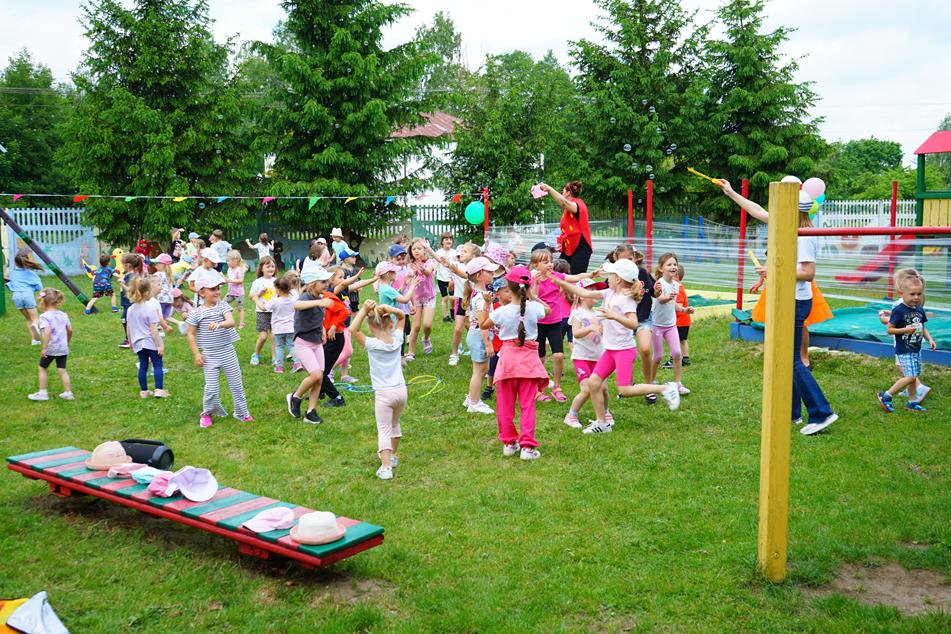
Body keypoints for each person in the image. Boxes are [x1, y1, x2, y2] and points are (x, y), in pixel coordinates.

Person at [720, 179, 838, 436]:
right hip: (788, 298)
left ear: (791, 210)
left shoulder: (802, 235)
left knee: (792, 360)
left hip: (796, 301)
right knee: (786, 359)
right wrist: (731, 192)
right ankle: (791, 412)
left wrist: (773, 270)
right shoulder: (787, 224)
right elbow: (756, 210)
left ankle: (821, 413)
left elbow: (808, 273)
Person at [548, 259, 680, 434]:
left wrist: (614, 316)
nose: (608, 278)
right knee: (594, 383)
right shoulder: (609, 292)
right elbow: (582, 292)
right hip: (610, 350)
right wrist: (560, 282)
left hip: (624, 350)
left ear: (618, 279)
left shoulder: (626, 299)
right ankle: (602, 423)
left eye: (611, 274)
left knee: (624, 389)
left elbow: (634, 323)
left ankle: (665, 388)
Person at [480, 266, 550, 460]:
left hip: (507, 364)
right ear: (527, 287)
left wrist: (487, 304)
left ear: (508, 288)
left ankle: (509, 444)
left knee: (504, 405)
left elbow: (484, 324)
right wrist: (533, 296)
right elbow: (548, 310)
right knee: (528, 406)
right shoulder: (534, 308)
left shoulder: (501, 311)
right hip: (529, 365)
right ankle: (527, 448)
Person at [350, 299, 407, 480]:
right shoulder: (398, 340)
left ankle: (386, 466)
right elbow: (402, 316)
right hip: (401, 391)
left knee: (384, 429)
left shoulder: (372, 344)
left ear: (371, 327)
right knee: (395, 424)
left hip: (384, 394)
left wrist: (363, 310)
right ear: (390, 324)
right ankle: (393, 456)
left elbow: (353, 330)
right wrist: (390, 308)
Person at [529, 246, 594, 402]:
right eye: (545, 262)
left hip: (555, 322)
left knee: (559, 356)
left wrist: (591, 274)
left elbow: (575, 277)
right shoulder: (532, 279)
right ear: (536, 265)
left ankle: (556, 387)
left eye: (550, 261)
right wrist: (536, 284)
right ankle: (538, 389)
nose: (550, 264)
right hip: (538, 323)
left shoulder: (556, 276)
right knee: (540, 358)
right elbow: (532, 298)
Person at [186, 278, 252, 427]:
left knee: (237, 385)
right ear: (202, 292)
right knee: (211, 388)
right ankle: (207, 413)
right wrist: (197, 354)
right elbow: (190, 334)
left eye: (218, 288)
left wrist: (219, 324)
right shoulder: (196, 313)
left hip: (228, 352)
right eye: (212, 289)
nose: (217, 292)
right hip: (209, 355)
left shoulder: (223, 305)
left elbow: (231, 322)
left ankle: (242, 413)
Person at [877, 275, 935, 413]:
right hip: (904, 349)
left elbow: (922, 327)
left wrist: (930, 339)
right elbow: (889, 330)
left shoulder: (919, 309)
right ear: (901, 293)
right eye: (912, 294)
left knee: (913, 376)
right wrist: (905, 330)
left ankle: (912, 402)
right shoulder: (899, 310)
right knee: (911, 376)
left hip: (916, 348)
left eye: (919, 294)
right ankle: (886, 395)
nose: (916, 297)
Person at [286, 268, 334, 424]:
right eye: (323, 282)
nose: (327, 284)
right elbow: (297, 305)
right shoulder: (306, 296)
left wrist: (323, 329)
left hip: (316, 342)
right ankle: (295, 396)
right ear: (312, 283)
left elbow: (317, 318)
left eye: (327, 281)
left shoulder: (319, 297)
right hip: (304, 343)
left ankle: (311, 412)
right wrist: (319, 302)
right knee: (316, 375)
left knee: (319, 379)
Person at [564, 280, 609, 429]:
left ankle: (605, 413)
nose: (595, 292)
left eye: (596, 290)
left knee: (603, 388)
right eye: (591, 290)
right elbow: (576, 333)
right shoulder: (577, 313)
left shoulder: (599, 313)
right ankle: (571, 415)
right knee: (587, 389)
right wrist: (590, 328)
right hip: (582, 357)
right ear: (582, 295)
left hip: (599, 357)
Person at [615, 244, 657, 401]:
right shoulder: (615, 277)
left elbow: (654, 292)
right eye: (623, 260)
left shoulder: (643, 273)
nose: (628, 263)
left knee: (645, 349)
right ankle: (627, 385)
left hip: (643, 318)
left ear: (635, 258)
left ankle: (649, 386)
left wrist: (659, 291)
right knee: (624, 353)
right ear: (616, 260)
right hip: (624, 321)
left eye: (630, 259)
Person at [462, 257, 500, 415]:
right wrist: (488, 344)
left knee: (482, 369)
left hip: (479, 336)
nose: (492, 274)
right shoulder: (480, 298)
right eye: (489, 272)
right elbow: (482, 323)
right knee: (479, 371)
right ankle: (474, 403)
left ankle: (471, 397)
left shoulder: (482, 294)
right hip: (480, 336)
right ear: (479, 276)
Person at [651, 252, 691, 395]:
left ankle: (678, 384)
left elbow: (674, 304)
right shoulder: (659, 283)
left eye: (675, 264)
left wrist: (684, 309)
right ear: (661, 268)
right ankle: (651, 382)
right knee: (658, 356)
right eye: (669, 264)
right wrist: (668, 297)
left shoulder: (676, 285)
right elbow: (661, 299)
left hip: (671, 325)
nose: (673, 267)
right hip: (657, 325)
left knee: (677, 353)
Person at [27, 288, 73, 401]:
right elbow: (70, 329)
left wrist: (44, 348)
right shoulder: (63, 315)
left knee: (42, 367)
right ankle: (68, 393)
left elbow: (47, 331)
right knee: (62, 369)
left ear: (43, 302)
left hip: (51, 348)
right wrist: (67, 342)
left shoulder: (44, 316)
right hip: (63, 347)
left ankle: (42, 393)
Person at [438, 242, 479, 366]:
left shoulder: (477, 269)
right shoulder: (457, 264)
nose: (461, 253)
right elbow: (441, 260)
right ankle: (454, 354)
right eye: (462, 251)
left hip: (474, 301)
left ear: (473, 256)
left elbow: (467, 276)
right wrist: (428, 249)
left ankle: (477, 352)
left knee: (474, 329)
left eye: (465, 251)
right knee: (457, 329)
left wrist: (455, 270)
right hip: (462, 300)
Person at [126, 278, 169, 398]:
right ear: (146, 293)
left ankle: (144, 391)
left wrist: (130, 342)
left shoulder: (130, 309)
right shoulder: (150, 309)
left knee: (143, 366)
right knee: (157, 365)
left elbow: (129, 327)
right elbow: (153, 330)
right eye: (150, 291)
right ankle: (159, 390)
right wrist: (159, 345)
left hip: (138, 343)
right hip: (150, 342)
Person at [539, 181, 593, 275]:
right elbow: (566, 231)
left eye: (562, 191)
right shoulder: (568, 209)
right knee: (557, 273)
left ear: (568, 193)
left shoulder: (577, 205)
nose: (561, 193)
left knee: (574, 278)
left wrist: (549, 189)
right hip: (569, 248)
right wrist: (560, 244)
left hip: (580, 248)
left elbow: (563, 203)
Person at [376, 254, 417, 359]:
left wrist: (404, 285)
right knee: (395, 342)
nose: (396, 273)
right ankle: (397, 360)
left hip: (387, 320)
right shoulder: (388, 289)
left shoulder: (384, 287)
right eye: (394, 272)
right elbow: (404, 300)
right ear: (388, 274)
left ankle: (394, 359)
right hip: (392, 321)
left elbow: (396, 294)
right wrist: (412, 286)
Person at [258, 276, 297, 374]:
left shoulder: (275, 300)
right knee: (292, 346)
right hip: (291, 328)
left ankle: (279, 367)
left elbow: (263, 308)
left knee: (279, 347)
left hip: (278, 329)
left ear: (278, 289)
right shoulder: (294, 299)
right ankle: (297, 363)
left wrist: (255, 299)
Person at [406, 238, 437, 358]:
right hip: (416, 298)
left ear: (425, 250)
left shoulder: (430, 262)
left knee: (427, 325)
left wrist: (421, 268)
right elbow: (410, 279)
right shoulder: (410, 265)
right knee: (416, 326)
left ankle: (426, 338)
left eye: (419, 248)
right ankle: (411, 351)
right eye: (414, 249)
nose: (416, 251)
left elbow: (428, 272)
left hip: (429, 297)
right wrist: (414, 272)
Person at [8, 248, 44, 344]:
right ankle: (36, 328)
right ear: (27, 261)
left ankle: (35, 340)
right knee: (35, 319)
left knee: (28, 319)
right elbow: (39, 287)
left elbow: (11, 285)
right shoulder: (31, 273)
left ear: (15, 262)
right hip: (27, 295)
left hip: (16, 296)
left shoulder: (12, 272)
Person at [249, 255, 278, 366]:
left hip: (275, 312)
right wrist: (260, 293)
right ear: (261, 268)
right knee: (263, 336)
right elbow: (251, 296)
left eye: (272, 266)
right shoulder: (257, 282)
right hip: (262, 313)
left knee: (274, 336)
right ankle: (255, 354)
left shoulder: (277, 281)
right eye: (268, 266)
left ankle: (275, 358)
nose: (271, 268)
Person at [663, 264, 693, 368]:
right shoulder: (680, 287)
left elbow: (678, 306)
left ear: (676, 277)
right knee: (683, 340)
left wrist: (666, 303)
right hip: (685, 321)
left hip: (679, 321)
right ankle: (686, 359)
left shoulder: (677, 290)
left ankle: (673, 359)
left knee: (674, 341)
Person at [118, 253, 147, 348]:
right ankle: (132, 338)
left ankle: (129, 339)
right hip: (126, 303)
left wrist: (122, 285)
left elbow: (131, 290)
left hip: (129, 303)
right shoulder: (129, 275)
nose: (122, 266)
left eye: (123, 264)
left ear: (128, 265)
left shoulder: (131, 276)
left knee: (126, 320)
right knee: (126, 320)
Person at [434, 232, 457, 322]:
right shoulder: (438, 253)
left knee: (452, 298)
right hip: (441, 278)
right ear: (442, 242)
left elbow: (457, 264)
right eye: (446, 239)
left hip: (452, 278)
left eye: (450, 239)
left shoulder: (455, 253)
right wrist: (433, 271)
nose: (449, 241)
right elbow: (435, 264)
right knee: (445, 298)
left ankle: (452, 310)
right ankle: (445, 316)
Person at [224, 250, 248, 329]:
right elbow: (229, 280)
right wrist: (225, 281)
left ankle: (242, 323)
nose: (227, 262)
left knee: (240, 308)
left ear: (235, 261)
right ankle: (226, 319)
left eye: (229, 261)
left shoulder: (239, 269)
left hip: (238, 293)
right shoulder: (229, 269)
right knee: (223, 304)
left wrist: (230, 280)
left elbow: (241, 280)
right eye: (227, 261)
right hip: (230, 292)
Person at [151, 254, 175, 320]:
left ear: (163, 265)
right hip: (169, 300)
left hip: (160, 299)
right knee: (165, 317)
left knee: (157, 317)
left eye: (157, 263)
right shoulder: (169, 274)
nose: (155, 265)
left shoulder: (157, 274)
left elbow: (152, 284)